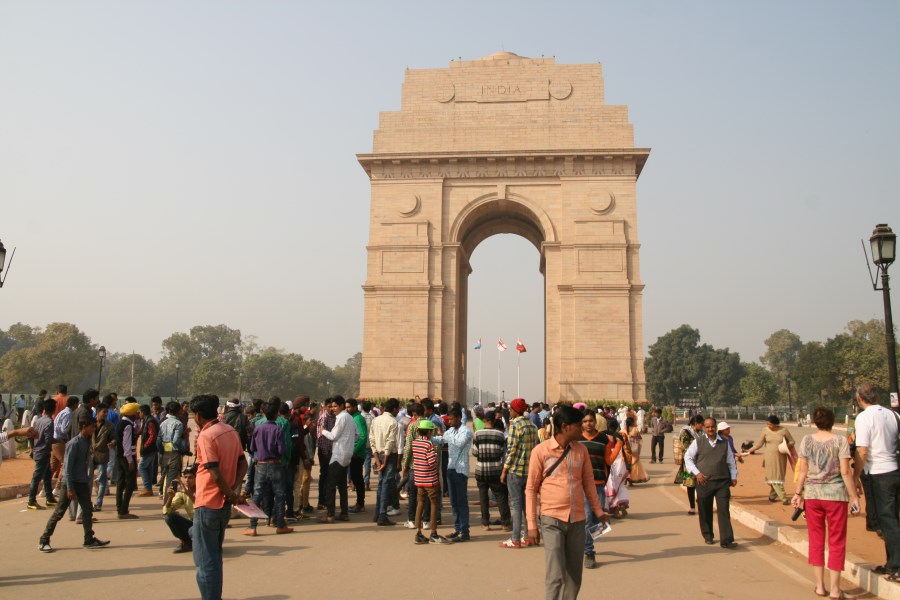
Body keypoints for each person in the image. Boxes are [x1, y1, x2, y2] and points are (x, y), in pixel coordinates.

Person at [526, 405, 608, 599]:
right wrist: (531, 525)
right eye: (578, 425)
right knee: (555, 575)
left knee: (574, 575)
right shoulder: (541, 451)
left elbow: (589, 484)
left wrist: (599, 511)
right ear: (565, 427)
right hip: (551, 519)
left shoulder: (581, 451)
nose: (583, 428)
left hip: (577, 519)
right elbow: (530, 489)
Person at [792, 407, 859, 599]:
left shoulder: (807, 440)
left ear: (814, 421)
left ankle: (820, 586)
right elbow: (845, 472)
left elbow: (803, 470)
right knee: (837, 541)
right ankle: (836, 589)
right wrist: (854, 496)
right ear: (832, 421)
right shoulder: (839, 441)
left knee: (816, 539)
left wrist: (798, 493)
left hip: (813, 495)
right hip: (836, 496)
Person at [191, 394, 248, 600]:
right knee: (213, 556)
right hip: (223, 503)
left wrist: (230, 492)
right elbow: (243, 463)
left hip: (209, 502)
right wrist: (234, 488)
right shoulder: (230, 431)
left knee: (206, 561)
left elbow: (214, 472)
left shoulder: (207, 436)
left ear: (197, 415)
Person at [38, 415, 110, 552]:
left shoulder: (86, 442)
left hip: (82, 481)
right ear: (83, 427)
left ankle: (89, 539)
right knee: (59, 512)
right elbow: (67, 468)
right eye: (92, 427)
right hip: (70, 483)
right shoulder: (74, 443)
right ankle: (44, 540)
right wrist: (70, 488)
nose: (93, 429)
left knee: (87, 510)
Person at [852, 381, 900, 582]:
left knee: (887, 522)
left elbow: (862, 450)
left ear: (859, 399)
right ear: (878, 397)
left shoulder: (864, 418)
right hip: (894, 470)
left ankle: (897, 566)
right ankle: (891, 563)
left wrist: (855, 476)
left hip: (878, 474)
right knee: (890, 519)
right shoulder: (893, 415)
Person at [684, 417, 738, 548]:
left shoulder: (724, 442)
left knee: (724, 510)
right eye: (707, 427)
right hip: (704, 482)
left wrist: (733, 476)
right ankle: (708, 535)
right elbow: (688, 457)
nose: (710, 429)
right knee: (705, 510)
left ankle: (727, 540)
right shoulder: (699, 441)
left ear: (716, 427)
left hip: (722, 482)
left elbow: (730, 460)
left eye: (712, 427)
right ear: (704, 427)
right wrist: (697, 473)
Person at [243, 397, 292, 536]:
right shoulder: (278, 430)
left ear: (263, 413)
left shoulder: (258, 428)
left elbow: (252, 447)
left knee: (257, 495)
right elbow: (282, 450)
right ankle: (280, 524)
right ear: (276, 414)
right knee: (280, 494)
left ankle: (252, 526)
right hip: (275, 464)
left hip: (261, 464)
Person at [500, 397, 540, 548]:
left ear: (516, 410)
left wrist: (504, 470)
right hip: (529, 471)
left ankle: (515, 538)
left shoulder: (515, 425)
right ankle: (527, 536)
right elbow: (536, 449)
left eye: (511, 409)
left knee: (516, 506)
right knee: (526, 505)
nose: (509, 411)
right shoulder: (532, 426)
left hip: (515, 470)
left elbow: (511, 450)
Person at [579, 409, 612, 569]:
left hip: (599, 483)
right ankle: (589, 551)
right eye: (584, 421)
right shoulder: (576, 439)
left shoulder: (603, 439)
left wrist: (618, 444)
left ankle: (585, 540)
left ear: (595, 421)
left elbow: (608, 461)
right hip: (583, 485)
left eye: (590, 420)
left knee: (597, 520)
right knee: (587, 518)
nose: (588, 424)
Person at [318, 396, 358, 523]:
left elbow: (333, 435)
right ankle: (344, 513)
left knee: (330, 485)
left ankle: (330, 514)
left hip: (339, 454)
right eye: (332, 406)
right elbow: (357, 435)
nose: (333, 409)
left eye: (335, 406)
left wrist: (323, 431)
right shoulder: (350, 418)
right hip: (346, 454)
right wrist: (348, 441)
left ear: (341, 406)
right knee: (341, 485)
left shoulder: (341, 417)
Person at [410, 418, 451, 544]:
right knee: (434, 504)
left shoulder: (415, 443)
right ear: (428, 432)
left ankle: (418, 532)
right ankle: (434, 532)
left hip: (419, 478)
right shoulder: (429, 444)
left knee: (420, 503)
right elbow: (432, 462)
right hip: (430, 479)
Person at [743, 415, 796, 504]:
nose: (769, 426)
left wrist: (786, 446)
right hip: (769, 458)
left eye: (770, 424)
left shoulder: (784, 430)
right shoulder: (765, 431)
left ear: (776, 424)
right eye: (767, 424)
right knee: (771, 477)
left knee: (778, 477)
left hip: (780, 457)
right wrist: (749, 451)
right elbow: (759, 444)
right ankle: (773, 496)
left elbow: (792, 441)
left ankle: (783, 498)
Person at [474, 410, 511, 532]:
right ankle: (505, 523)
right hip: (495, 469)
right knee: (500, 496)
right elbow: (502, 452)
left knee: (483, 497)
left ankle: (485, 524)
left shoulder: (477, 434)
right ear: (494, 421)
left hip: (481, 470)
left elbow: (475, 452)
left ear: (484, 420)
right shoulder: (500, 434)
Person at [443, 407, 473, 542]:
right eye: (448, 419)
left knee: (461, 501)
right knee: (453, 502)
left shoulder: (466, 431)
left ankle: (465, 531)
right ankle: (457, 529)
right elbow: (441, 439)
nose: (449, 421)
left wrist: (446, 436)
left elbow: (459, 443)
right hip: (450, 468)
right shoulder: (450, 431)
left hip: (461, 470)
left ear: (459, 418)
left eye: (451, 419)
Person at [370, 398, 400, 526]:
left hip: (379, 455)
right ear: (393, 409)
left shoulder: (375, 420)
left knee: (381, 484)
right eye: (398, 409)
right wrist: (385, 462)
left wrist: (377, 460)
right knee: (386, 484)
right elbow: (390, 443)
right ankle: (382, 515)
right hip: (389, 456)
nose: (398, 411)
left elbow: (372, 441)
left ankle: (377, 513)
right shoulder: (393, 422)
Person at [27, 399, 58, 510]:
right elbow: (48, 440)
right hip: (43, 452)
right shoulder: (50, 422)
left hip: (38, 450)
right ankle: (31, 501)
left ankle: (49, 498)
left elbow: (30, 435)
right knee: (37, 477)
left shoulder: (39, 420)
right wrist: (59, 441)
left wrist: (32, 448)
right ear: (54, 409)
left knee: (47, 475)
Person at [115, 400, 141, 519]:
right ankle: (124, 510)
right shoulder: (128, 426)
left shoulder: (122, 423)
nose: (138, 414)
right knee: (130, 484)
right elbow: (126, 444)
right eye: (136, 412)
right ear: (132, 413)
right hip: (127, 457)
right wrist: (130, 461)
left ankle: (119, 506)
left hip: (119, 456)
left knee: (120, 482)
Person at [159, 401, 188, 505]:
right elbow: (175, 441)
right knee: (172, 481)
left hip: (166, 452)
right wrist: (184, 440)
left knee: (166, 478)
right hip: (174, 453)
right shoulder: (178, 423)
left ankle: (165, 501)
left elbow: (159, 440)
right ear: (178, 410)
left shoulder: (163, 422)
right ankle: (167, 505)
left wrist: (163, 450)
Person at [164, 464, 197, 554]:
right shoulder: (183, 492)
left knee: (196, 529)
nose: (187, 480)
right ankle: (187, 542)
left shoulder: (203, 489)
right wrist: (170, 497)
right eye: (185, 477)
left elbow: (201, 506)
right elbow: (167, 511)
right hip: (194, 525)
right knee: (169, 517)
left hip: (206, 524)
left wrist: (188, 493)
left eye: (190, 477)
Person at [676, 415, 705, 515]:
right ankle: (692, 507)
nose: (702, 426)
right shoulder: (685, 432)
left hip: (701, 461)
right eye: (701, 424)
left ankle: (701, 504)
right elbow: (685, 446)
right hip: (689, 462)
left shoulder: (701, 432)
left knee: (701, 483)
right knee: (691, 485)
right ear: (695, 424)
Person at [346, 398, 368, 513]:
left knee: (358, 479)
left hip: (357, 454)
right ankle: (359, 502)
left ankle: (361, 504)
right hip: (355, 453)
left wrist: (355, 450)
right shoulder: (353, 417)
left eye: (349, 407)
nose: (347, 409)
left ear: (355, 407)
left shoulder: (357, 419)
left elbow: (363, 436)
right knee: (355, 478)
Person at [91, 403, 114, 511]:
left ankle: (98, 503)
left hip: (103, 454)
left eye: (106, 412)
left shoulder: (109, 426)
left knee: (102, 480)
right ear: (97, 412)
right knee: (87, 479)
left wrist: (113, 442)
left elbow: (114, 438)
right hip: (90, 454)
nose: (105, 414)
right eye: (103, 412)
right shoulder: (90, 423)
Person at [604, 420, 629, 517]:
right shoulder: (620, 436)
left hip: (609, 459)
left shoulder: (603, 435)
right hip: (620, 460)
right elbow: (627, 450)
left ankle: (615, 508)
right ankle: (621, 504)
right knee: (620, 485)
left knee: (611, 485)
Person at [138, 404, 160, 496]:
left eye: (139, 412)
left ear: (142, 412)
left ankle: (148, 488)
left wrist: (146, 445)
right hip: (151, 449)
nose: (139, 414)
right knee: (148, 467)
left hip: (149, 449)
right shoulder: (148, 420)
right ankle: (148, 488)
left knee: (141, 467)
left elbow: (152, 435)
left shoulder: (150, 421)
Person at [624, 416, 649, 484]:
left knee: (626, 464)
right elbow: (640, 438)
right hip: (634, 448)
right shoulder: (635, 429)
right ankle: (631, 480)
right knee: (634, 464)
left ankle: (626, 479)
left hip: (626, 449)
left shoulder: (624, 430)